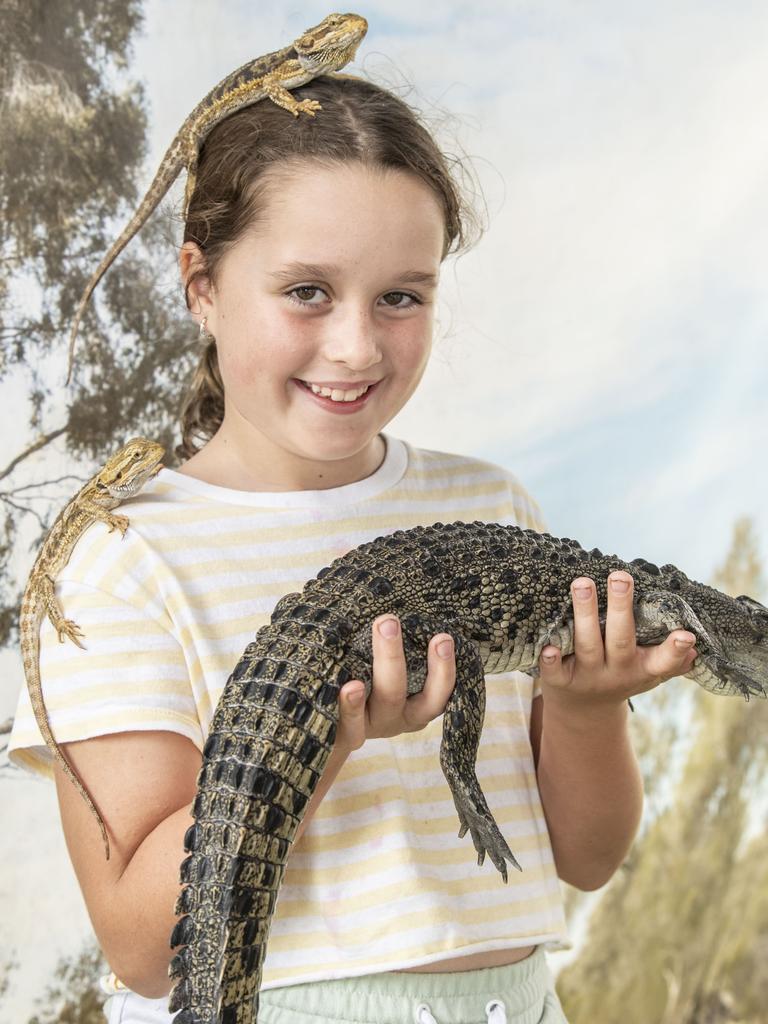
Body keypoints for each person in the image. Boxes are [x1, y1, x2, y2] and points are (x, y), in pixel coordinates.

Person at [8, 73, 698, 1024]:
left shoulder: (491, 506)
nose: (357, 346)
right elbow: (140, 948)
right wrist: (322, 735)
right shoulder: (120, 560)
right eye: (306, 291)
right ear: (201, 285)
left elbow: (585, 858)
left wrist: (586, 711)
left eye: (401, 298)